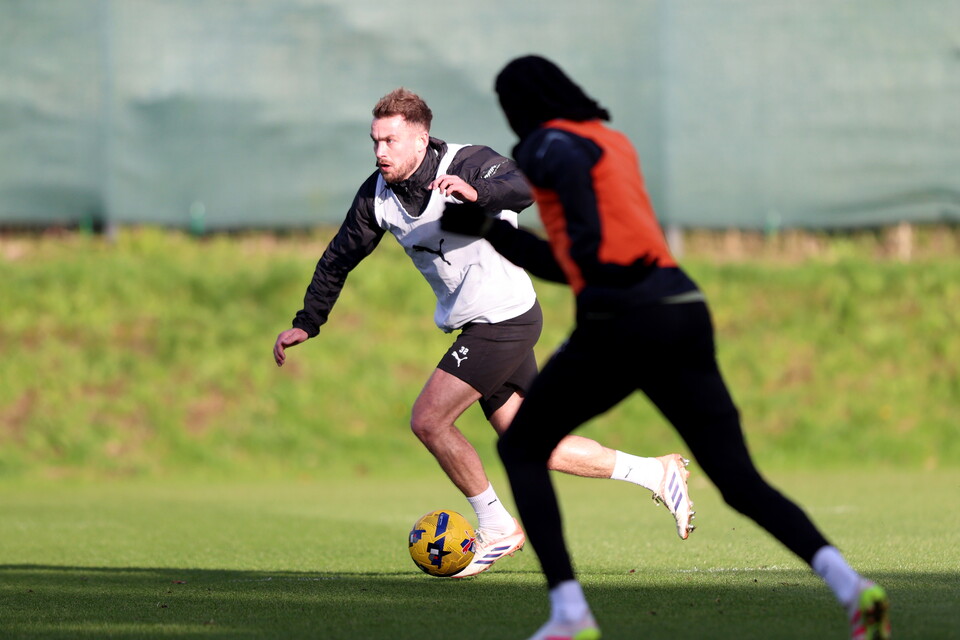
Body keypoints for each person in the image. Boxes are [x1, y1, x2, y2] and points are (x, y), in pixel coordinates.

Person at [441, 56, 891, 639]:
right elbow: (578, 260)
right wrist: (494, 229)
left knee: (524, 448)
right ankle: (854, 589)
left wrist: (498, 222)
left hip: (623, 318)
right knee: (738, 481)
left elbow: (585, 252)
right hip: (682, 307)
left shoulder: (549, 146)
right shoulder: (610, 138)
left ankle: (570, 615)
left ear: (522, 105)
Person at [273, 87, 695, 579]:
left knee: (429, 420)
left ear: (420, 138)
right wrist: (307, 321)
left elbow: (524, 187)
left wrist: (479, 194)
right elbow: (339, 258)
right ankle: (656, 472)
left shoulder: (469, 162)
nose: (380, 152)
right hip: (481, 322)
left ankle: (496, 527)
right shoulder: (378, 196)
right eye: (375, 141)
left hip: (505, 319)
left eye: (390, 141)